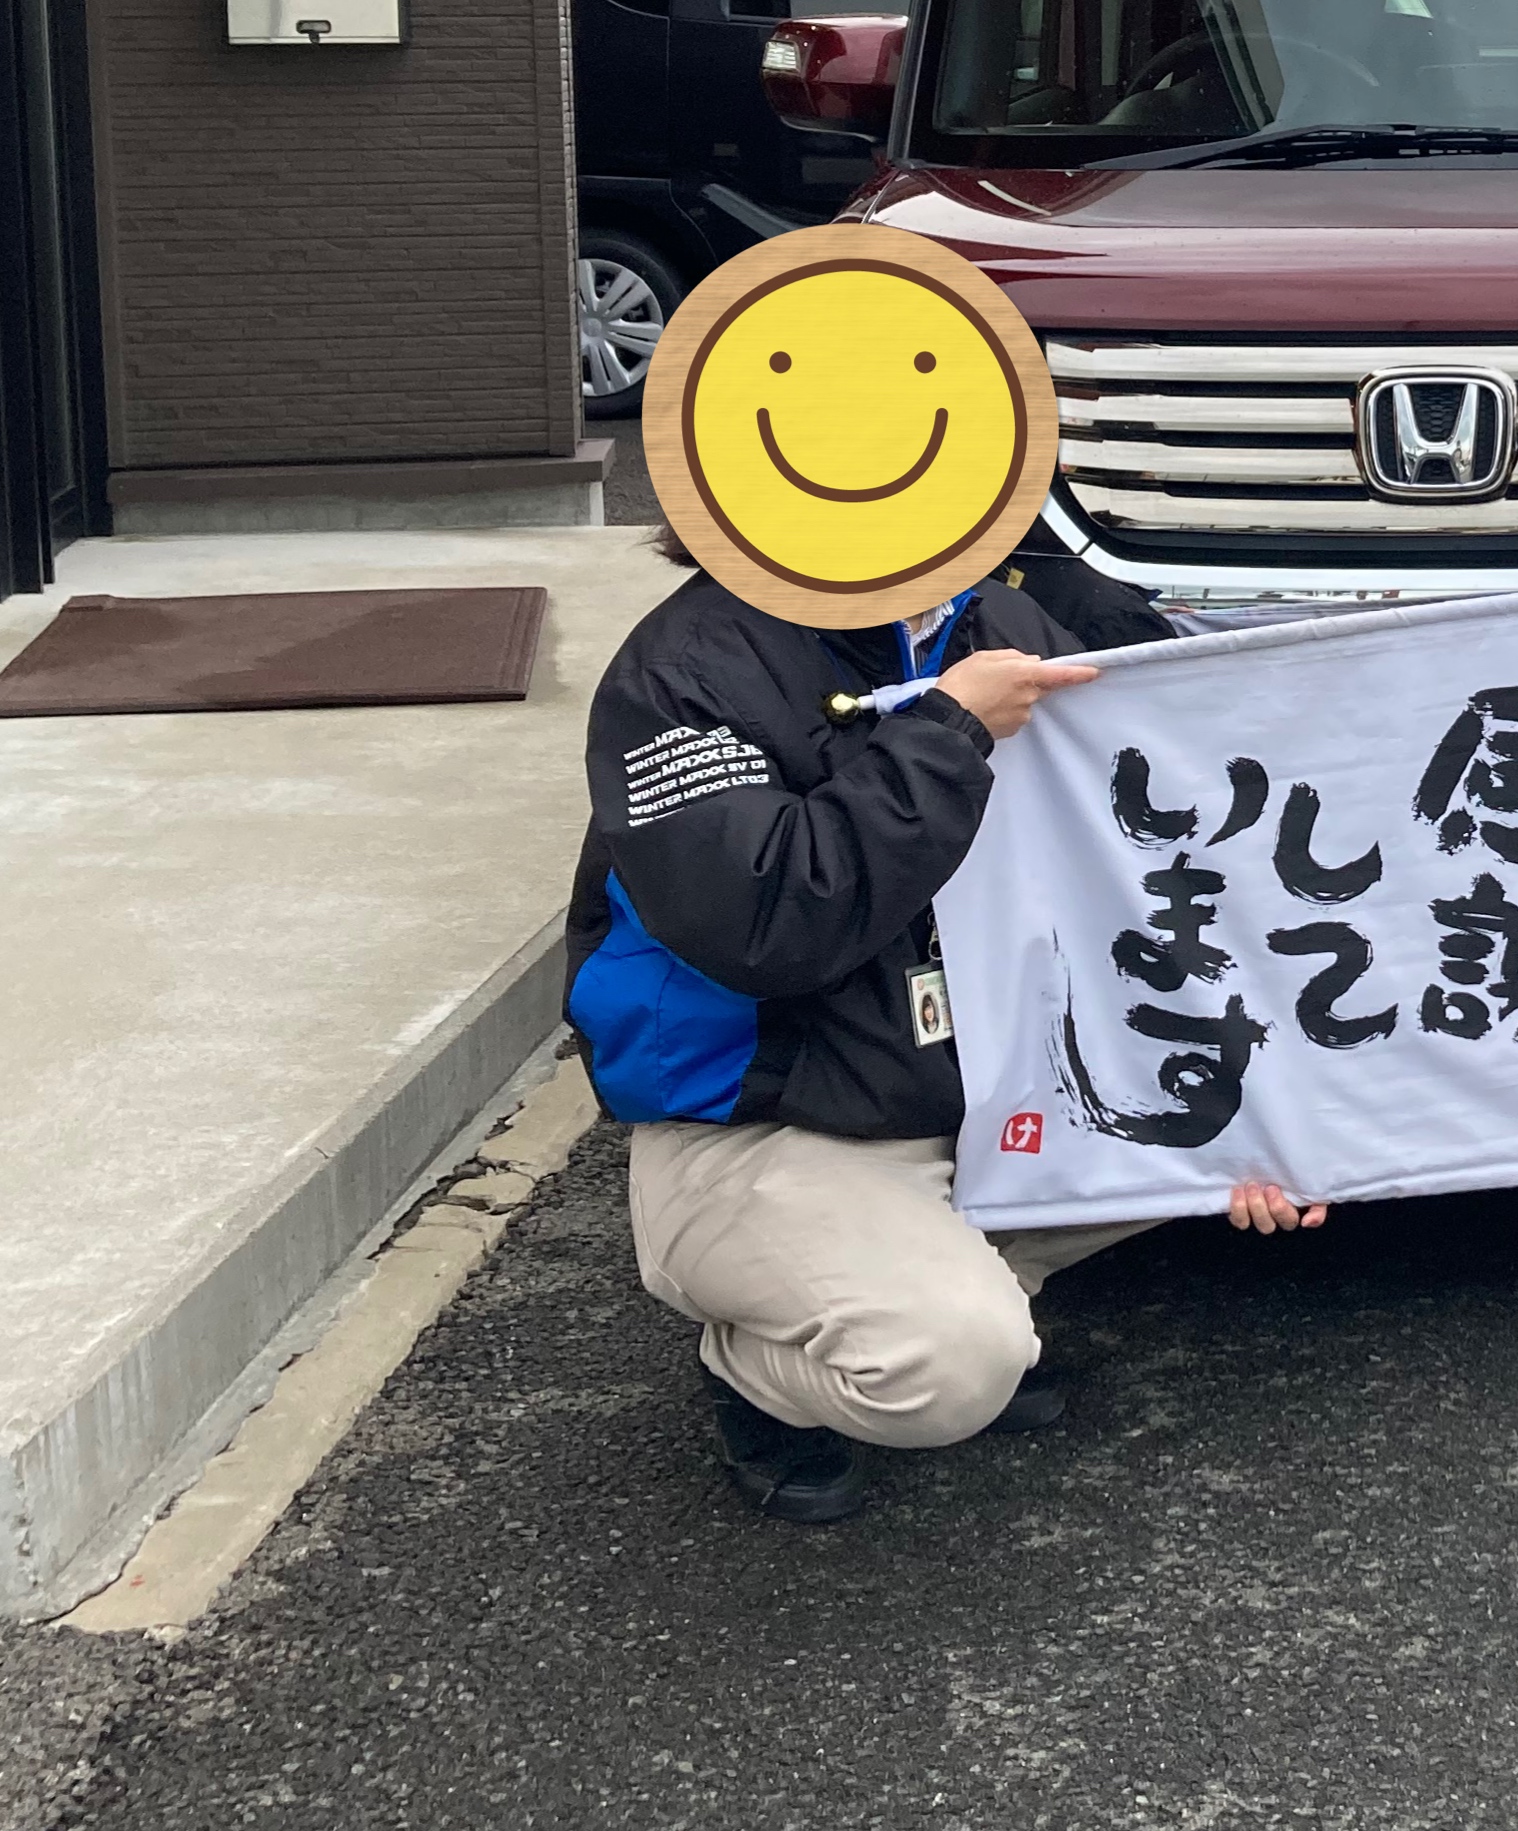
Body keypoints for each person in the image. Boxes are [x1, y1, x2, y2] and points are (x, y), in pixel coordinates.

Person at [566, 537, 1321, 1524]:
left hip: (970, 1088)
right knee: (944, 1368)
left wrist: (1264, 1128)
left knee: (1226, 1131)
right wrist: (947, 731)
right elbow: (766, 924)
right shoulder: (683, 669)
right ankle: (754, 1373)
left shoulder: (999, 615)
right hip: (766, 1119)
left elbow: (1146, 842)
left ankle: (960, 1285)